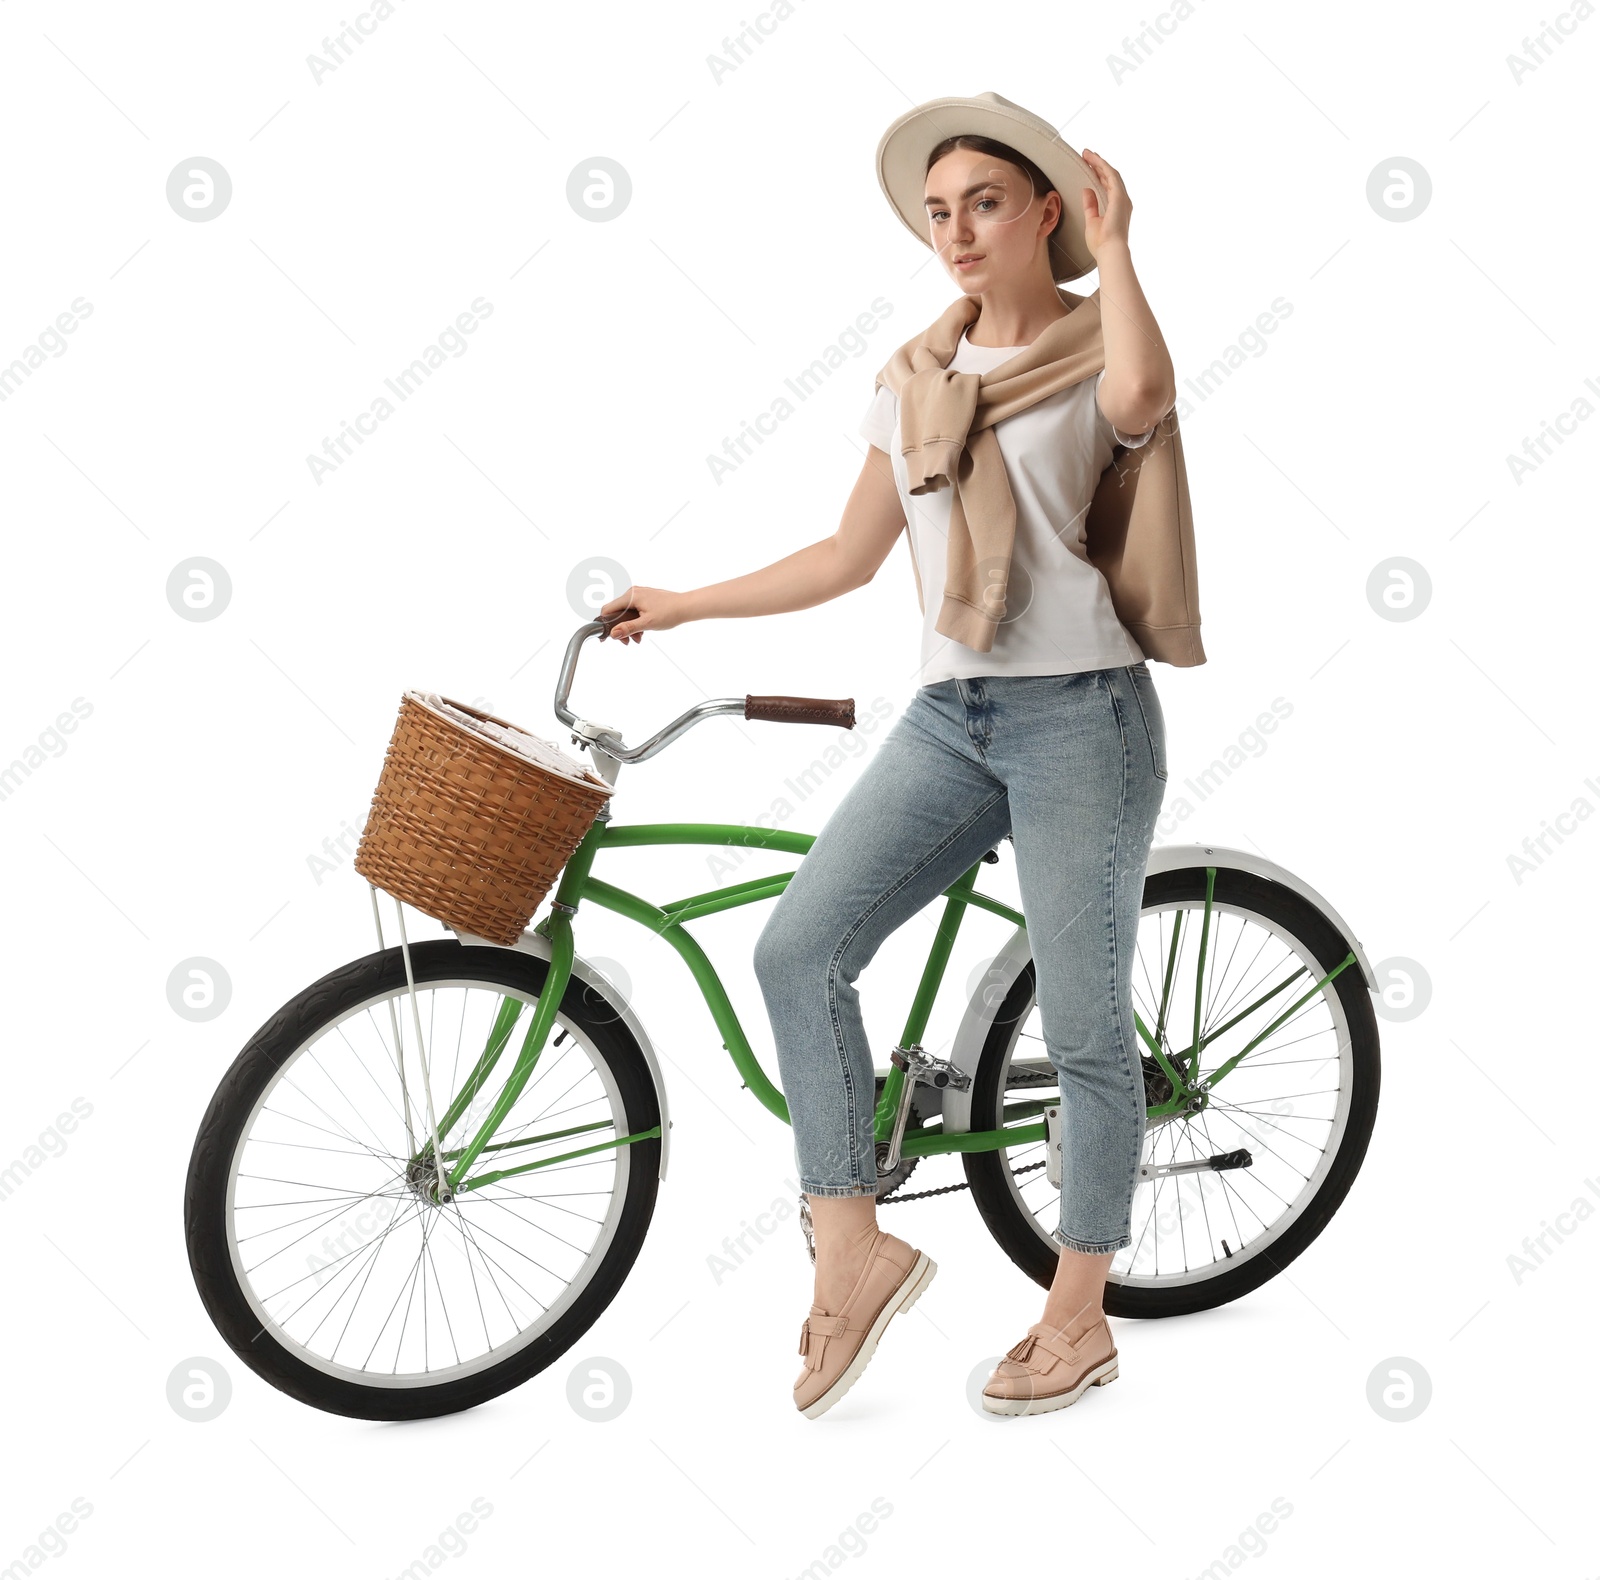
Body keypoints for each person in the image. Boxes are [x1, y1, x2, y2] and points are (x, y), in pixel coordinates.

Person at [601, 91, 1191, 1419]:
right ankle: (852, 1242)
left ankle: (1077, 1319)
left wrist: (1128, 247)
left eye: (984, 202)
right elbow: (848, 557)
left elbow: (1145, 398)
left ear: (1048, 209)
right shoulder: (914, 381)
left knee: (1089, 1033)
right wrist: (687, 599)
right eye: (937, 212)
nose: (957, 233)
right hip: (952, 719)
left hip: (1080, 719)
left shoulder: (1102, 344)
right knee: (799, 949)